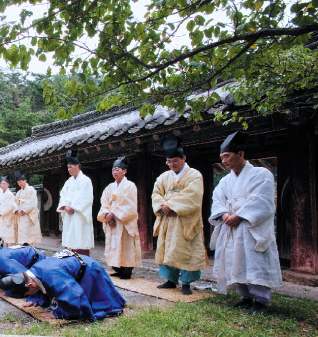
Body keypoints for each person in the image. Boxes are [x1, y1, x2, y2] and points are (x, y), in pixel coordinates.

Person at [209, 131, 282, 314]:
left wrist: (240, 215)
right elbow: (217, 199)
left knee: (255, 260)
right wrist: (224, 213)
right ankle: (246, 296)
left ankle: (261, 301)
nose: (224, 161)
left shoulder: (261, 174)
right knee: (237, 260)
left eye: (227, 156)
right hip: (232, 227)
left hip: (250, 226)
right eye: (221, 157)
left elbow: (262, 201)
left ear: (240, 154)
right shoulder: (226, 180)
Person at [0, 250, 126, 321]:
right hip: (75, 266)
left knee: (97, 303)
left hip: (90, 270)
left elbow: (74, 294)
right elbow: (39, 285)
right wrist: (35, 298)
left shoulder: (52, 275)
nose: (28, 295)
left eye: (28, 294)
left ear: (30, 285)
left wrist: (59, 313)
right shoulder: (32, 273)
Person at [151, 138, 207, 295]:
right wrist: (163, 206)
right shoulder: (164, 177)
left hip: (184, 220)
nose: (172, 165)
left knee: (185, 249)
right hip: (168, 219)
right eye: (169, 162)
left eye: (175, 161)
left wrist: (172, 205)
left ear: (184, 159)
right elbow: (156, 193)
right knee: (167, 248)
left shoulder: (194, 175)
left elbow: (193, 196)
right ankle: (170, 280)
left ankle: (186, 283)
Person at [96, 157, 142, 279]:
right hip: (111, 223)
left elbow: (129, 204)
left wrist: (114, 214)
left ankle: (127, 271)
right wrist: (106, 215)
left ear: (124, 171)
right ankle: (118, 269)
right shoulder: (109, 187)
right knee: (114, 245)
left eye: (117, 170)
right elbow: (104, 202)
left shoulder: (130, 186)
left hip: (123, 221)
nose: (114, 172)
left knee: (126, 245)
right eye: (113, 170)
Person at [57, 150, 94, 256]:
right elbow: (62, 195)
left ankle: (84, 266)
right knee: (70, 241)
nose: (68, 169)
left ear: (77, 166)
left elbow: (85, 197)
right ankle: (71, 266)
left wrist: (73, 207)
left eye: (70, 167)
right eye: (68, 167)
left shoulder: (86, 180)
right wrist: (65, 206)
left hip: (79, 215)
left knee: (81, 241)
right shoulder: (68, 182)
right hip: (69, 215)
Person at [15, 170, 42, 245]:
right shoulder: (19, 193)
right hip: (21, 216)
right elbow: (15, 203)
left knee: (29, 235)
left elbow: (32, 202)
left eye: (21, 182)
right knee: (23, 235)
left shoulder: (31, 190)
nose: (19, 184)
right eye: (18, 183)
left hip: (28, 215)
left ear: (25, 181)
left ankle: (31, 250)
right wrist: (17, 210)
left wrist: (23, 210)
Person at [0, 175, 17, 246]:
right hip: (0, 218)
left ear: (8, 184)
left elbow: (9, 206)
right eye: (1, 184)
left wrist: (1, 212)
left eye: (4, 184)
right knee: (1, 236)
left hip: (7, 218)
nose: (2, 185)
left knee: (8, 236)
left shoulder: (10, 194)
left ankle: (9, 250)